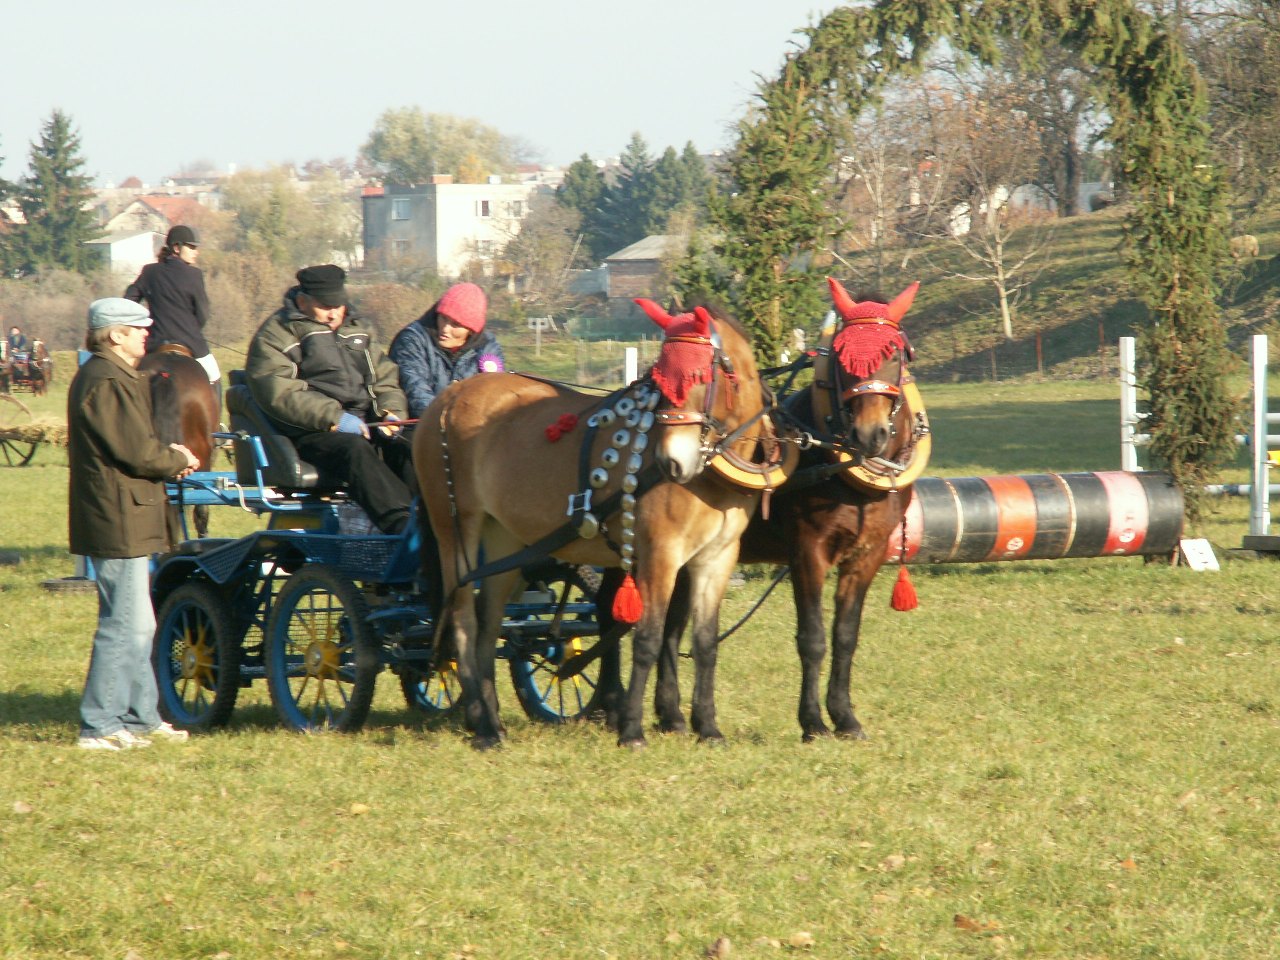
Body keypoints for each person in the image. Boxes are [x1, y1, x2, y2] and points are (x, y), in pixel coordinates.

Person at [69, 298, 200, 751]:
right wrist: (177, 458)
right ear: (113, 334)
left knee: (138, 623)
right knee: (123, 624)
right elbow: (136, 451)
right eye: (137, 328)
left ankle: (141, 718)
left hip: (130, 510)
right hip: (116, 515)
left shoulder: (118, 376)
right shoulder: (103, 380)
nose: (147, 333)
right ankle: (99, 724)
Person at [245, 264, 415, 534]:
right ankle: (403, 526)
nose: (334, 314)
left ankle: (434, 520)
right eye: (325, 307)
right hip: (312, 431)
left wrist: (389, 412)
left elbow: (384, 377)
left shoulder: (359, 328)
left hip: (367, 424)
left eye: (339, 305)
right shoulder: (277, 334)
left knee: (412, 442)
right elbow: (279, 392)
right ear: (302, 301)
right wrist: (334, 417)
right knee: (354, 450)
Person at [124, 225, 220, 392]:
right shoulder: (194, 275)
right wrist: (190, 328)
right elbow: (203, 314)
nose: (195, 251)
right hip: (191, 342)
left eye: (195, 247)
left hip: (154, 343)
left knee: (127, 377)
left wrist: (144, 324)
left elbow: (128, 301)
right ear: (176, 247)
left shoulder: (149, 272)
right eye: (191, 247)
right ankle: (214, 419)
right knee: (214, 378)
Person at [389, 282, 505, 419]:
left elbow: (493, 396)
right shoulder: (411, 340)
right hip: (419, 425)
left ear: (471, 330)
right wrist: (447, 420)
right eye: (443, 318)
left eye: (455, 324)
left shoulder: (488, 347)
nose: (445, 329)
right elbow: (415, 390)